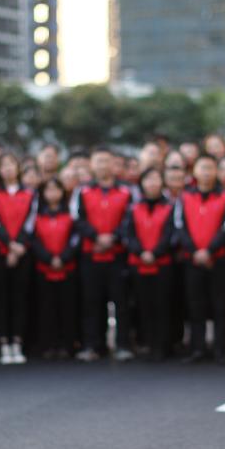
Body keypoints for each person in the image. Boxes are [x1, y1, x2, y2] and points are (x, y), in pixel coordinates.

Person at [70, 147, 134, 362]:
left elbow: (129, 218)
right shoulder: (82, 191)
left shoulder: (126, 191)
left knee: (121, 302)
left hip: (117, 255)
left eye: (106, 161)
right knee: (91, 302)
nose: (102, 165)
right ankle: (93, 345)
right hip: (91, 254)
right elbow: (77, 219)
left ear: (113, 164)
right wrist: (96, 237)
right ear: (91, 164)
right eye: (98, 161)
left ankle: (123, 345)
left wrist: (113, 238)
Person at [175, 154, 225, 364]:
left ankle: (221, 350)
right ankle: (197, 348)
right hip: (192, 260)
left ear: (216, 171)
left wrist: (209, 251)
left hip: (218, 260)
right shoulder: (184, 196)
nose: (207, 172)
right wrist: (195, 252)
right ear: (194, 171)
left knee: (220, 305)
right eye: (202, 167)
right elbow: (179, 226)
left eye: (210, 168)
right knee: (195, 305)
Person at [0, 152, 36, 365]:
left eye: (11, 164)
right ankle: (4, 343)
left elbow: (30, 222)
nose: (7, 169)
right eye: (3, 165)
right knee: (1, 297)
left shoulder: (30, 193)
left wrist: (18, 246)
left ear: (18, 167)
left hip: (22, 252)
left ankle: (17, 342)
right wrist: (9, 245)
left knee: (20, 297)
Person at [125, 168, 175, 361]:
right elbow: (129, 234)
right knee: (143, 304)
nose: (152, 183)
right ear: (142, 183)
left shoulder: (170, 206)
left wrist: (155, 253)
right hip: (138, 263)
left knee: (163, 305)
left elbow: (169, 234)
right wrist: (141, 253)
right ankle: (148, 342)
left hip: (162, 263)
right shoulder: (133, 207)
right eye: (148, 179)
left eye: (156, 179)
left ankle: (163, 345)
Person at [31, 177, 79, 359]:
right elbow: (34, 240)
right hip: (45, 267)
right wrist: (49, 258)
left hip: (67, 267)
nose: (52, 193)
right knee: (46, 307)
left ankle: (68, 344)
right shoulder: (37, 216)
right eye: (48, 190)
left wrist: (63, 257)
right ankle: (49, 344)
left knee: (67, 306)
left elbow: (75, 239)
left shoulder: (70, 214)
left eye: (56, 189)